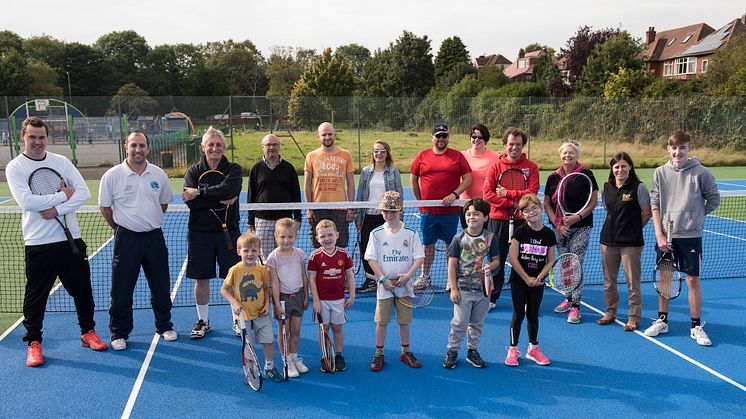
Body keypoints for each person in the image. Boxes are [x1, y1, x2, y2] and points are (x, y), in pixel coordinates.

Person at [6, 117, 107, 367]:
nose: (37, 141)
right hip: (39, 243)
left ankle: (88, 332)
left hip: (71, 241)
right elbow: (27, 202)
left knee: (83, 291)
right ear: (23, 137)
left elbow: (83, 192)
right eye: (32, 137)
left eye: (41, 137)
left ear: (47, 138)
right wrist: (63, 195)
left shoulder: (61, 162)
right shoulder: (15, 167)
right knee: (35, 297)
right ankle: (34, 342)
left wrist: (57, 210)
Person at [99, 131, 176, 351]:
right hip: (127, 240)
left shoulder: (158, 174)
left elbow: (163, 204)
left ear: (148, 148)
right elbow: (105, 208)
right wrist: (120, 228)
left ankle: (164, 326)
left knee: (161, 287)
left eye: (142, 145)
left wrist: (147, 222)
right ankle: (119, 333)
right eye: (134, 145)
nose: (138, 149)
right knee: (122, 290)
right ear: (126, 146)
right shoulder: (112, 175)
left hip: (154, 238)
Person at [644, 131, 720, 345]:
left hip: (690, 236)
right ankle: (662, 321)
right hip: (666, 237)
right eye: (674, 148)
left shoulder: (701, 172)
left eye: (682, 148)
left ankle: (695, 326)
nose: (678, 152)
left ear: (689, 149)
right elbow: (655, 204)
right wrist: (659, 234)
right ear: (669, 149)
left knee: (691, 280)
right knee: (666, 279)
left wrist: (695, 216)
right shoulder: (660, 173)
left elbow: (714, 199)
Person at [182, 127, 242, 339]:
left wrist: (200, 193)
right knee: (202, 279)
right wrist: (219, 197)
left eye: (218, 145)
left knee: (233, 277)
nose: (214, 148)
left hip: (229, 232)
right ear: (203, 147)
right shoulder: (193, 171)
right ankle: (203, 321)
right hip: (200, 233)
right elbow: (191, 203)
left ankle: (237, 319)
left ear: (224, 148)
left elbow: (230, 190)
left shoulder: (233, 169)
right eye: (211, 144)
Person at [365, 191, 425, 371]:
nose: (389, 215)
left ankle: (405, 351)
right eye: (385, 211)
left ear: (400, 210)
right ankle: (379, 353)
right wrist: (383, 279)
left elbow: (419, 257)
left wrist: (408, 276)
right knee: (381, 322)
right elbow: (371, 259)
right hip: (384, 287)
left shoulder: (411, 233)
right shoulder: (376, 234)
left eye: (393, 211)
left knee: (404, 321)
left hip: (404, 286)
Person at [483, 127, 540, 309]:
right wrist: (514, 204)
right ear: (505, 145)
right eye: (511, 144)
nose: (514, 148)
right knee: (496, 259)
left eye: (518, 144)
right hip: (498, 221)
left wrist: (508, 193)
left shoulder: (531, 167)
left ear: (523, 145)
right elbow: (487, 195)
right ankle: (492, 297)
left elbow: (531, 193)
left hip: (523, 222)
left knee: (524, 260)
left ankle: (522, 297)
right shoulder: (495, 167)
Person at [543, 140, 598, 324]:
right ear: (560, 156)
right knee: (566, 264)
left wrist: (577, 217)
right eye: (564, 153)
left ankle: (576, 306)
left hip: (581, 227)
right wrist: (558, 223)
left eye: (571, 153)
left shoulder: (586, 175)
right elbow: (547, 204)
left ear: (577, 156)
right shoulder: (553, 177)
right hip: (559, 228)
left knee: (575, 263)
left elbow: (593, 201)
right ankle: (568, 298)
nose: (567, 156)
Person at [410, 124, 472, 288]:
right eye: (438, 136)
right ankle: (425, 276)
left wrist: (455, 194)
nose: (441, 139)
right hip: (428, 212)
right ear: (432, 137)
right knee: (427, 245)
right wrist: (420, 201)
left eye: (444, 136)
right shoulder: (422, 156)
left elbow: (467, 179)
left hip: (450, 212)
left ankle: (451, 278)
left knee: (450, 246)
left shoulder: (457, 156)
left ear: (448, 137)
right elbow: (413, 179)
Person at [597, 152, 651, 331]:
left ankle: (633, 317)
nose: (620, 169)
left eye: (623, 166)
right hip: (608, 240)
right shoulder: (607, 187)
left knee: (632, 282)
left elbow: (646, 213)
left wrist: (633, 228)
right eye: (616, 166)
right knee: (608, 281)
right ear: (612, 169)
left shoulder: (639, 187)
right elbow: (608, 209)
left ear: (630, 168)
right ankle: (610, 312)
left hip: (631, 243)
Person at [443, 198, 499, 369]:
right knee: (459, 323)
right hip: (463, 289)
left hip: (484, 290)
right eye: (468, 214)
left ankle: (472, 351)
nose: (472, 217)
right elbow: (452, 264)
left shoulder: (491, 238)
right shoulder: (458, 238)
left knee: (477, 323)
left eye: (476, 214)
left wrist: (491, 266)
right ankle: (452, 351)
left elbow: (497, 259)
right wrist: (453, 288)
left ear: (486, 217)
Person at [220, 231, 284, 382]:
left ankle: (269, 367)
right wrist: (234, 302)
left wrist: (267, 304)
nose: (250, 254)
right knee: (249, 346)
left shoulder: (261, 270)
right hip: (244, 317)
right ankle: (251, 369)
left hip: (261, 314)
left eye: (254, 250)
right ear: (238, 251)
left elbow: (266, 287)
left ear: (259, 251)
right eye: (246, 250)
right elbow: (224, 289)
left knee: (268, 341)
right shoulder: (235, 270)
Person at [505, 194, 555, 367]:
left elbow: (550, 260)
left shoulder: (549, 234)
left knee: (533, 315)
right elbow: (513, 258)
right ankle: (513, 349)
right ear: (522, 215)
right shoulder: (520, 233)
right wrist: (526, 278)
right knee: (518, 314)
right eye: (527, 210)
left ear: (541, 209)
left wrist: (539, 277)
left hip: (538, 283)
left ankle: (533, 349)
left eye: (534, 208)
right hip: (519, 282)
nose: (531, 212)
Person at [354, 140, 404, 293]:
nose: (379, 154)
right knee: (366, 248)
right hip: (368, 215)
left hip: (386, 217)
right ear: (373, 153)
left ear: (387, 153)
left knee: (386, 249)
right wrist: (358, 215)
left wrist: (399, 215)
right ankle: (370, 280)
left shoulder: (393, 171)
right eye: (376, 151)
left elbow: (399, 194)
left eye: (382, 151)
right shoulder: (366, 171)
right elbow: (360, 194)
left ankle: (386, 277)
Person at [308, 219, 356, 372]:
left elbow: (350, 276)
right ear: (317, 239)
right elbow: (311, 279)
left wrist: (352, 295)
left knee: (337, 327)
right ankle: (325, 355)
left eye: (330, 235)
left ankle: (339, 355)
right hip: (322, 301)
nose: (327, 239)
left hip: (339, 300)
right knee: (324, 329)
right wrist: (315, 301)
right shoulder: (314, 256)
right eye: (322, 236)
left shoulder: (344, 254)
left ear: (337, 235)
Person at [247, 134, 302, 261]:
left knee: (284, 255)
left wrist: (297, 217)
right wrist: (250, 221)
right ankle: (267, 281)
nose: (271, 147)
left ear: (279, 147)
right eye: (268, 145)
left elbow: (296, 193)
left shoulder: (289, 168)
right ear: (262, 147)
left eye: (275, 144)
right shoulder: (256, 169)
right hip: (262, 221)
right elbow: (251, 195)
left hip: (285, 221)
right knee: (265, 258)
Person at [266, 218, 309, 377]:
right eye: (282, 237)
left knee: (295, 330)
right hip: (282, 298)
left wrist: (306, 296)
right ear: (276, 236)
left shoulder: (300, 254)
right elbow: (275, 283)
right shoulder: (273, 258)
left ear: (296, 237)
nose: (286, 240)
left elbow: (304, 277)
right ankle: (286, 361)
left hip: (297, 296)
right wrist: (277, 304)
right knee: (284, 331)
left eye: (290, 237)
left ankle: (294, 357)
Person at [304, 122, 355, 249]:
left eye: (330, 134)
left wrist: (350, 207)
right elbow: (307, 184)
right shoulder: (311, 156)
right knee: (319, 248)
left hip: (340, 209)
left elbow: (350, 183)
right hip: (318, 209)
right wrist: (309, 208)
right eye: (324, 135)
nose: (327, 137)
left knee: (341, 246)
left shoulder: (346, 155)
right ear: (318, 137)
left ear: (335, 135)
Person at [460, 123, 500, 200]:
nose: (476, 140)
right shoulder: (462, 155)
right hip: (465, 203)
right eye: (474, 137)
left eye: (480, 137)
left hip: (487, 203)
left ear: (485, 140)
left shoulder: (495, 156)